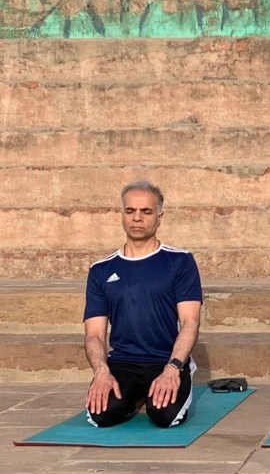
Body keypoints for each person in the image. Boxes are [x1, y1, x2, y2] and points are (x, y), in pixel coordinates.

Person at [83, 181, 202, 428]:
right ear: (122, 215)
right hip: (123, 362)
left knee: (165, 417)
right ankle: (136, 394)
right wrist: (101, 371)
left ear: (159, 217)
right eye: (130, 211)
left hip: (167, 360)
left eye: (146, 212)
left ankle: (152, 392)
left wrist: (173, 369)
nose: (137, 218)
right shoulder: (101, 270)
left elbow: (190, 322)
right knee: (101, 417)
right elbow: (94, 334)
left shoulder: (180, 262)